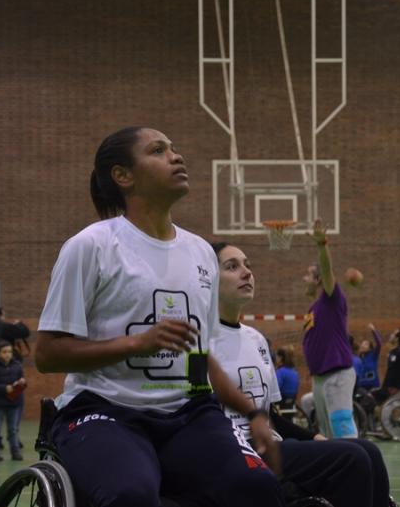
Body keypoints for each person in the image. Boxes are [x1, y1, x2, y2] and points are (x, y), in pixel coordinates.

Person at [35, 127, 283, 507]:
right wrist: (137, 343)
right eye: (158, 150)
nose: (176, 157)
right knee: (130, 494)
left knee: (257, 488)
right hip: (104, 410)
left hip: (188, 414)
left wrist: (253, 413)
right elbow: (48, 354)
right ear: (124, 176)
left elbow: (198, 357)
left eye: (175, 147)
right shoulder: (91, 246)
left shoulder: (201, 253)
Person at [211, 241, 394, 507]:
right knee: (351, 458)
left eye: (248, 265)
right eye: (232, 266)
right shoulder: (200, 339)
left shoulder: (257, 340)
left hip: (273, 443)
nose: (247, 272)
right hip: (239, 449)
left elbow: (270, 416)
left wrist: (313, 437)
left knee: (369, 451)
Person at [301, 219, 358, 438]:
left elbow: (327, 269)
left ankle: (357, 468)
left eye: (308, 274)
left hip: (337, 374)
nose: (304, 278)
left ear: (318, 280)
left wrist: (322, 244)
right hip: (319, 378)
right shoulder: (313, 308)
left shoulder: (332, 299)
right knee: (326, 433)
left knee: (342, 429)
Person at [0, 340, 26, 462]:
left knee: (13, 429)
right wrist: (4, 388)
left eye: (9, 352)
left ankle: (15, 452)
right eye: (4, 352)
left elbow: (22, 382)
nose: (7, 354)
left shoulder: (17, 366)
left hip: (14, 403)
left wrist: (22, 383)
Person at [370, 328, 400, 406]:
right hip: (389, 389)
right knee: (370, 398)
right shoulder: (392, 352)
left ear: (397, 338)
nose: (391, 335)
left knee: (390, 412)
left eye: (393, 334)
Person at [356, 324, 383, 390]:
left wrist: (373, 330)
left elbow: (379, 344)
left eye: (365, 344)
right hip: (361, 387)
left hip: (373, 386)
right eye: (362, 344)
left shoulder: (373, 355)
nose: (362, 345)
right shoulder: (359, 359)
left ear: (370, 348)